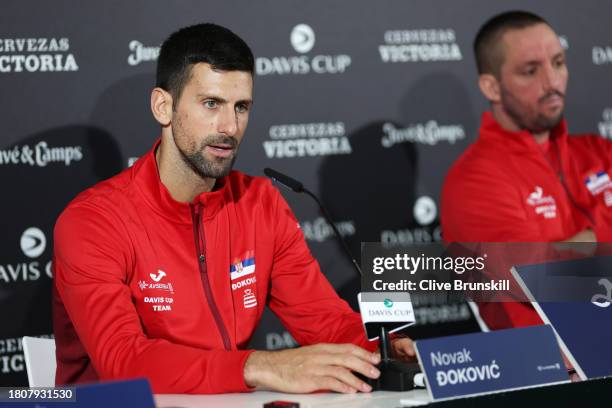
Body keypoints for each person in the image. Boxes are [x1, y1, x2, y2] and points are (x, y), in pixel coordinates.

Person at [52, 23, 414, 394]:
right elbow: (124, 362)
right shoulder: (92, 221)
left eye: (241, 107)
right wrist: (258, 366)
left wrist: (377, 349)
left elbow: (323, 319)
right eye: (211, 104)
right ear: (163, 106)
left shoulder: (260, 203)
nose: (230, 126)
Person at [441, 11, 612, 329]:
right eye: (530, 71)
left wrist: (579, 245)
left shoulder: (600, 152)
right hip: (550, 369)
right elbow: (537, 279)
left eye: (558, 63)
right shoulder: (473, 180)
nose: (552, 82)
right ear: (492, 87)